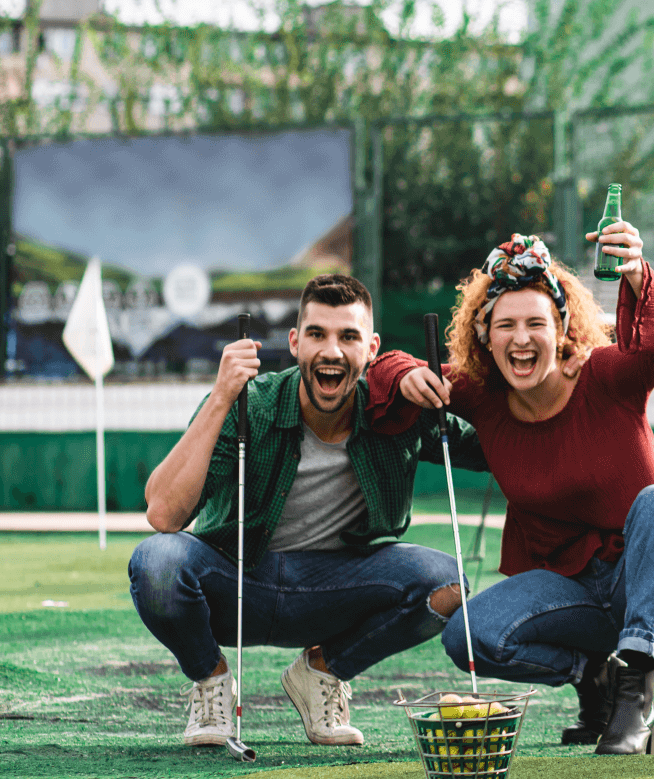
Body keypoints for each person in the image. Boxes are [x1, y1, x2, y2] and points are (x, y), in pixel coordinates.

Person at [368, 226, 654, 757]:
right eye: (505, 324)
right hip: (574, 590)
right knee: (466, 637)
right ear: (483, 336)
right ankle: (593, 675)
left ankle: (635, 692)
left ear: (563, 330)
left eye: (537, 322)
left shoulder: (605, 376)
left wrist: (636, 272)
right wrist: (406, 375)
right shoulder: (481, 396)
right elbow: (385, 372)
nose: (522, 337)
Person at [129, 273, 489, 750]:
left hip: (337, 591)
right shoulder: (249, 405)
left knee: (448, 584)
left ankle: (321, 672)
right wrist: (220, 397)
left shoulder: (395, 413)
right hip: (239, 582)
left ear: (372, 348)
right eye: (317, 334)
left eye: (348, 337)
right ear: (296, 343)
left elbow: (492, 448)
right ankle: (211, 680)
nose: (332, 351)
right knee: (156, 562)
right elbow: (163, 515)